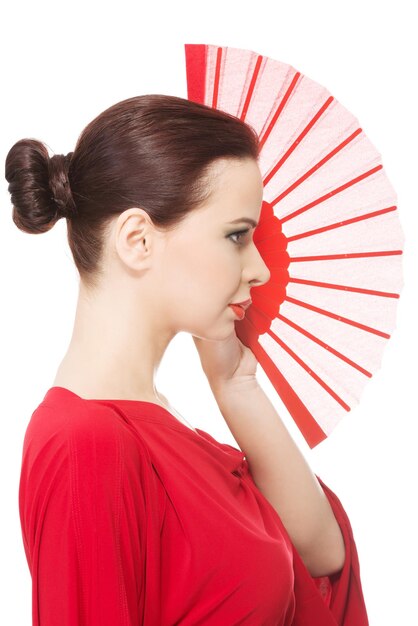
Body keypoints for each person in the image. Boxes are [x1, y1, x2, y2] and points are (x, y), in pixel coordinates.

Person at [6, 94, 369, 625]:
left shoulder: (160, 429)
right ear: (137, 240)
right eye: (237, 235)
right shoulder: (83, 444)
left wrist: (234, 383)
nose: (261, 269)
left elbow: (321, 555)